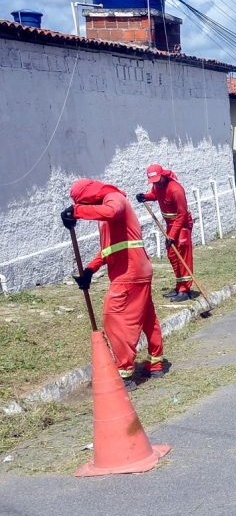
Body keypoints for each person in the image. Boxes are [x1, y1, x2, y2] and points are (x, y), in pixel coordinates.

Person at [61, 179, 165, 386]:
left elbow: (110, 211)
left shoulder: (114, 199)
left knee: (113, 317)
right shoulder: (106, 211)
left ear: (89, 195)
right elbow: (110, 249)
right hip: (134, 269)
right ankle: (156, 364)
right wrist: (90, 269)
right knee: (145, 315)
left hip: (130, 272)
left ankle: (124, 372)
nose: (88, 207)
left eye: (84, 202)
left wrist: (77, 211)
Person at [136, 163, 193, 302]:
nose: (156, 184)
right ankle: (179, 286)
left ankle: (185, 290)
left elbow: (182, 215)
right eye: (153, 182)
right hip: (170, 225)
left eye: (157, 180)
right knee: (173, 255)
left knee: (182, 256)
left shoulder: (176, 190)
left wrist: (172, 235)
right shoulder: (157, 185)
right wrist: (145, 196)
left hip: (181, 225)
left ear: (163, 175)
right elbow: (155, 195)